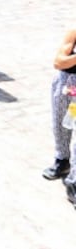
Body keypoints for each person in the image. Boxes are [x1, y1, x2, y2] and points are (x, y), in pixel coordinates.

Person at [41, 26, 76, 209]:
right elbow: (58, 62)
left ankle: (74, 183)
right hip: (66, 85)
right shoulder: (74, 33)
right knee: (60, 126)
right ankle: (62, 161)